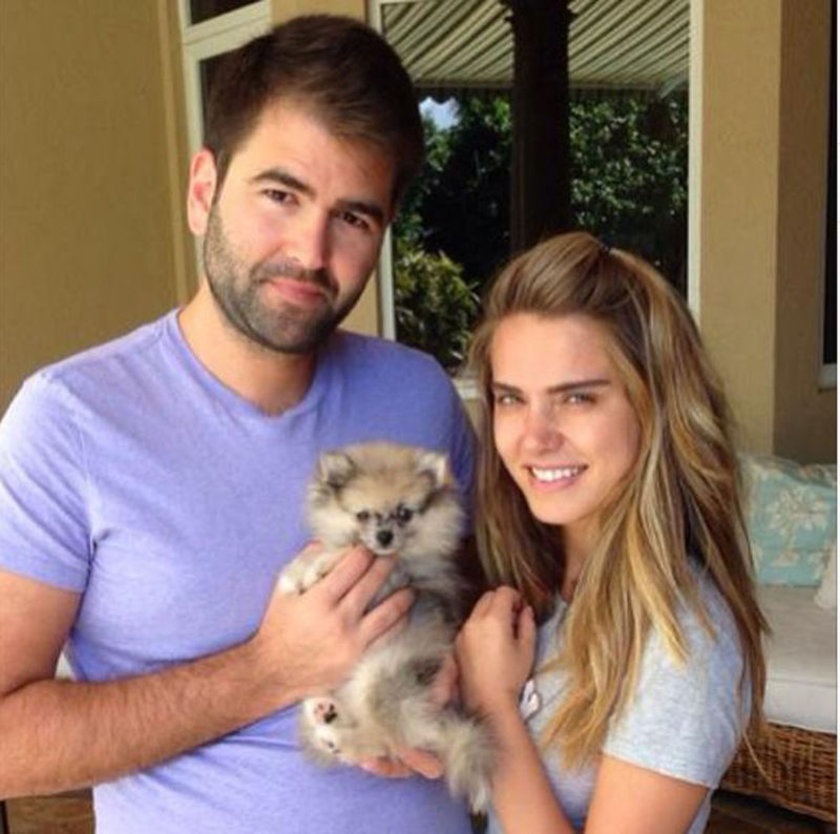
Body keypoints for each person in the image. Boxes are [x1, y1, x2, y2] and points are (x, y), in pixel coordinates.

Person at [0, 16, 475, 834]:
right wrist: (267, 670)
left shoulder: (419, 395)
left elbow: (483, 603)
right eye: (281, 195)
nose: (310, 251)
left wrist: (452, 673)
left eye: (353, 218)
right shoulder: (68, 423)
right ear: (203, 191)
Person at [454, 231, 767, 833]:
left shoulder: (681, 640)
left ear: (654, 406)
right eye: (511, 399)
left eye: (577, 398)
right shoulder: (535, 584)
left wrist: (492, 707)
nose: (534, 437)